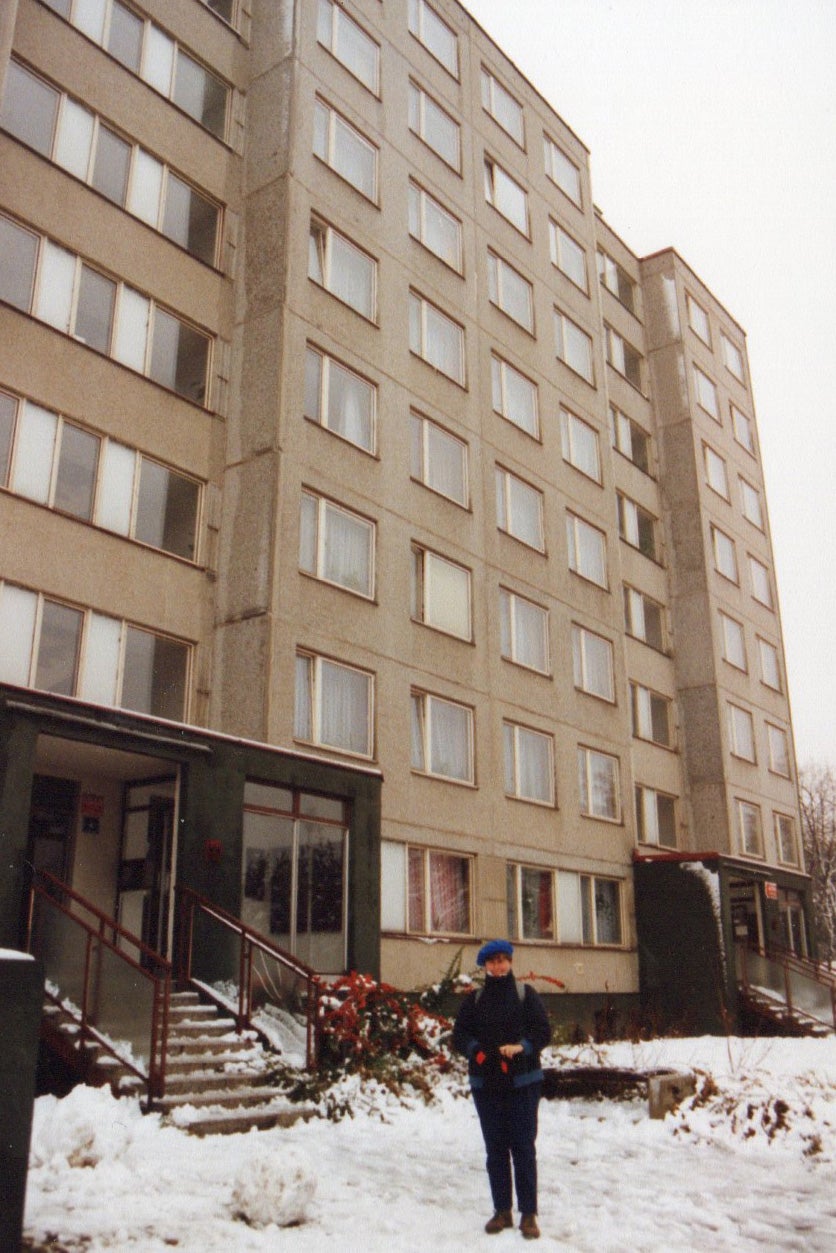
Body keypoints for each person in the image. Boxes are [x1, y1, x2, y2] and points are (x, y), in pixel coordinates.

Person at [453, 939, 551, 1240]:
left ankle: (529, 1214)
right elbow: (459, 1036)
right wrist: (476, 1050)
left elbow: (542, 1033)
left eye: (503, 960)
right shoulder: (475, 1000)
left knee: (523, 1147)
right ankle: (501, 1210)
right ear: (485, 966)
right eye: (492, 961)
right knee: (495, 1149)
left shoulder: (525, 995)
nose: (498, 965)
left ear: (510, 962)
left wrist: (522, 1047)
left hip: (522, 1083)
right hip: (487, 1084)